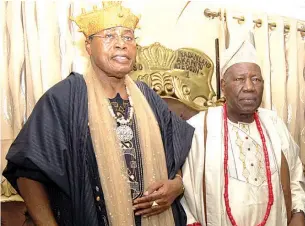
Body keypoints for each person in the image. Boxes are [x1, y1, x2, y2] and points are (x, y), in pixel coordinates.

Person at [2, 2, 194, 226]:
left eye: (128, 37)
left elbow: (176, 148)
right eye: (109, 36)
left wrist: (177, 184)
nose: (121, 44)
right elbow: (28, 171)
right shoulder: (66, 98)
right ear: (88, 46)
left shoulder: (147, 96)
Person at [180, 34, 305, 226]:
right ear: (223, 85)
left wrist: (298, 212)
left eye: (256, 79)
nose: (249, 87)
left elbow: (295, 173)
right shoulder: (198, 128)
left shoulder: (274, 123)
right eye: (240, 79)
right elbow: (180, 190)